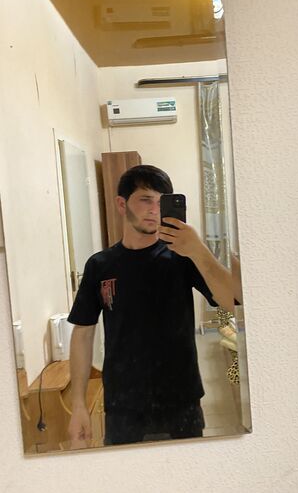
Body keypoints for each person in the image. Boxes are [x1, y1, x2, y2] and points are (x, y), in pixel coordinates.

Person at [67, 165, 234, 446]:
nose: (154, 210)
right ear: (122, 204)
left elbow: (232, 302)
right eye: (145, 200)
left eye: (160, 202)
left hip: (181, 400)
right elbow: (83, 333)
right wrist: (78, 405)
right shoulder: (100, 265)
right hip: (123, 405)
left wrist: (198, 250)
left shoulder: (182, 257)